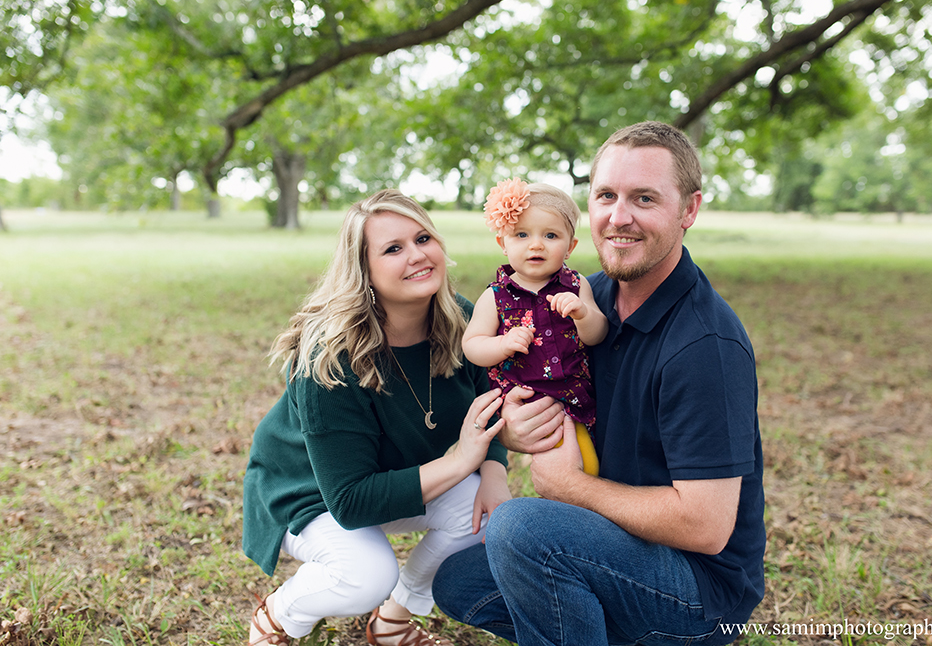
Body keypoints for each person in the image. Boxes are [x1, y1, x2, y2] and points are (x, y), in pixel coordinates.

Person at [432, 121, 766, 646]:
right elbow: (526, 377)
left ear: (689, 210)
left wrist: (571, 488)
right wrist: (515, 430)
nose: (618, 216)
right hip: (616, 546)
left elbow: (706, 526)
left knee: (519, 530)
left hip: (698, 591)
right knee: (458, 581)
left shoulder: (706, 347)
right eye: (605, 195)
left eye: (645, 198)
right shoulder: (585, 299)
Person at [241, 190, 510, 646]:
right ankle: (279, 616)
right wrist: (463, 461)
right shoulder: (329, 355)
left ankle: (393, 621)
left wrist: (494, 469)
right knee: (367, 575)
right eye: (393, 248)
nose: (418, 255)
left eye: (423, 238)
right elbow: (349, 502)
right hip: (308, 493)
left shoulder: (460, 319)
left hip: (391, 478)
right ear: (363, 270)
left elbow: (492, 399)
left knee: (482, 514)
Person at [462, 178, 607, 475]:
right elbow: (472, 345)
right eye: (522, 235)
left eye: (551, 235)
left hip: (574, 398)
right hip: (527, 403)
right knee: (557, 466)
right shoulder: (496, 296)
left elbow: (598, 334)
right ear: (503, 244)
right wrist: (501, 344)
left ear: (570, 246)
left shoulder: (577, 286)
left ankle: (579, 504)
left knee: (589, 465)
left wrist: (582, 314)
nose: (536, 244)